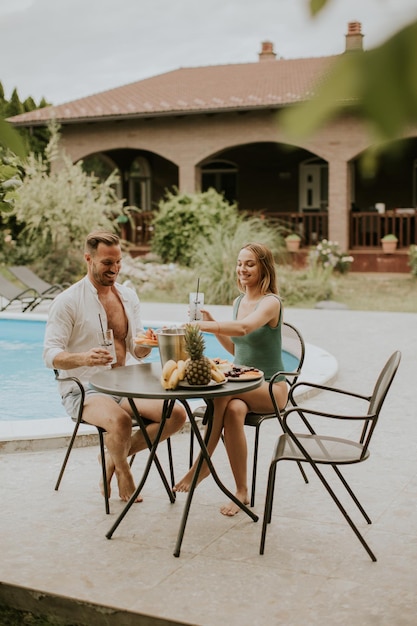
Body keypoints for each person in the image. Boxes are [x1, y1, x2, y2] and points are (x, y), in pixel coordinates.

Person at [43, 230, 186, 503]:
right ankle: (123, 471)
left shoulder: (128, 296)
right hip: (85, 389)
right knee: (119, 423)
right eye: (107, 262)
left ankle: (112, 456)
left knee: (176, 414)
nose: (115, 269)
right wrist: (83, 358)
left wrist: (149, 343)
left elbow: (136, 348)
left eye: (118, 261)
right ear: (89, 259)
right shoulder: (68, 301)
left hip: (126, 384)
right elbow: (50, 354)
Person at [174, 242, 288, 516]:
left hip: (272, 387)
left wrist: (202, 325)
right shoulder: (239, 302)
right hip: (245, 385)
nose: (242, 269)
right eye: (240, 263)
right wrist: (214, 322)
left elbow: (244, 327)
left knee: (221, 391)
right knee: (234, 411)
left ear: (264, 267)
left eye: (249, 264)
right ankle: (242, 491)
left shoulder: (271, 302)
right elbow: (239, 349)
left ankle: (202, 464)